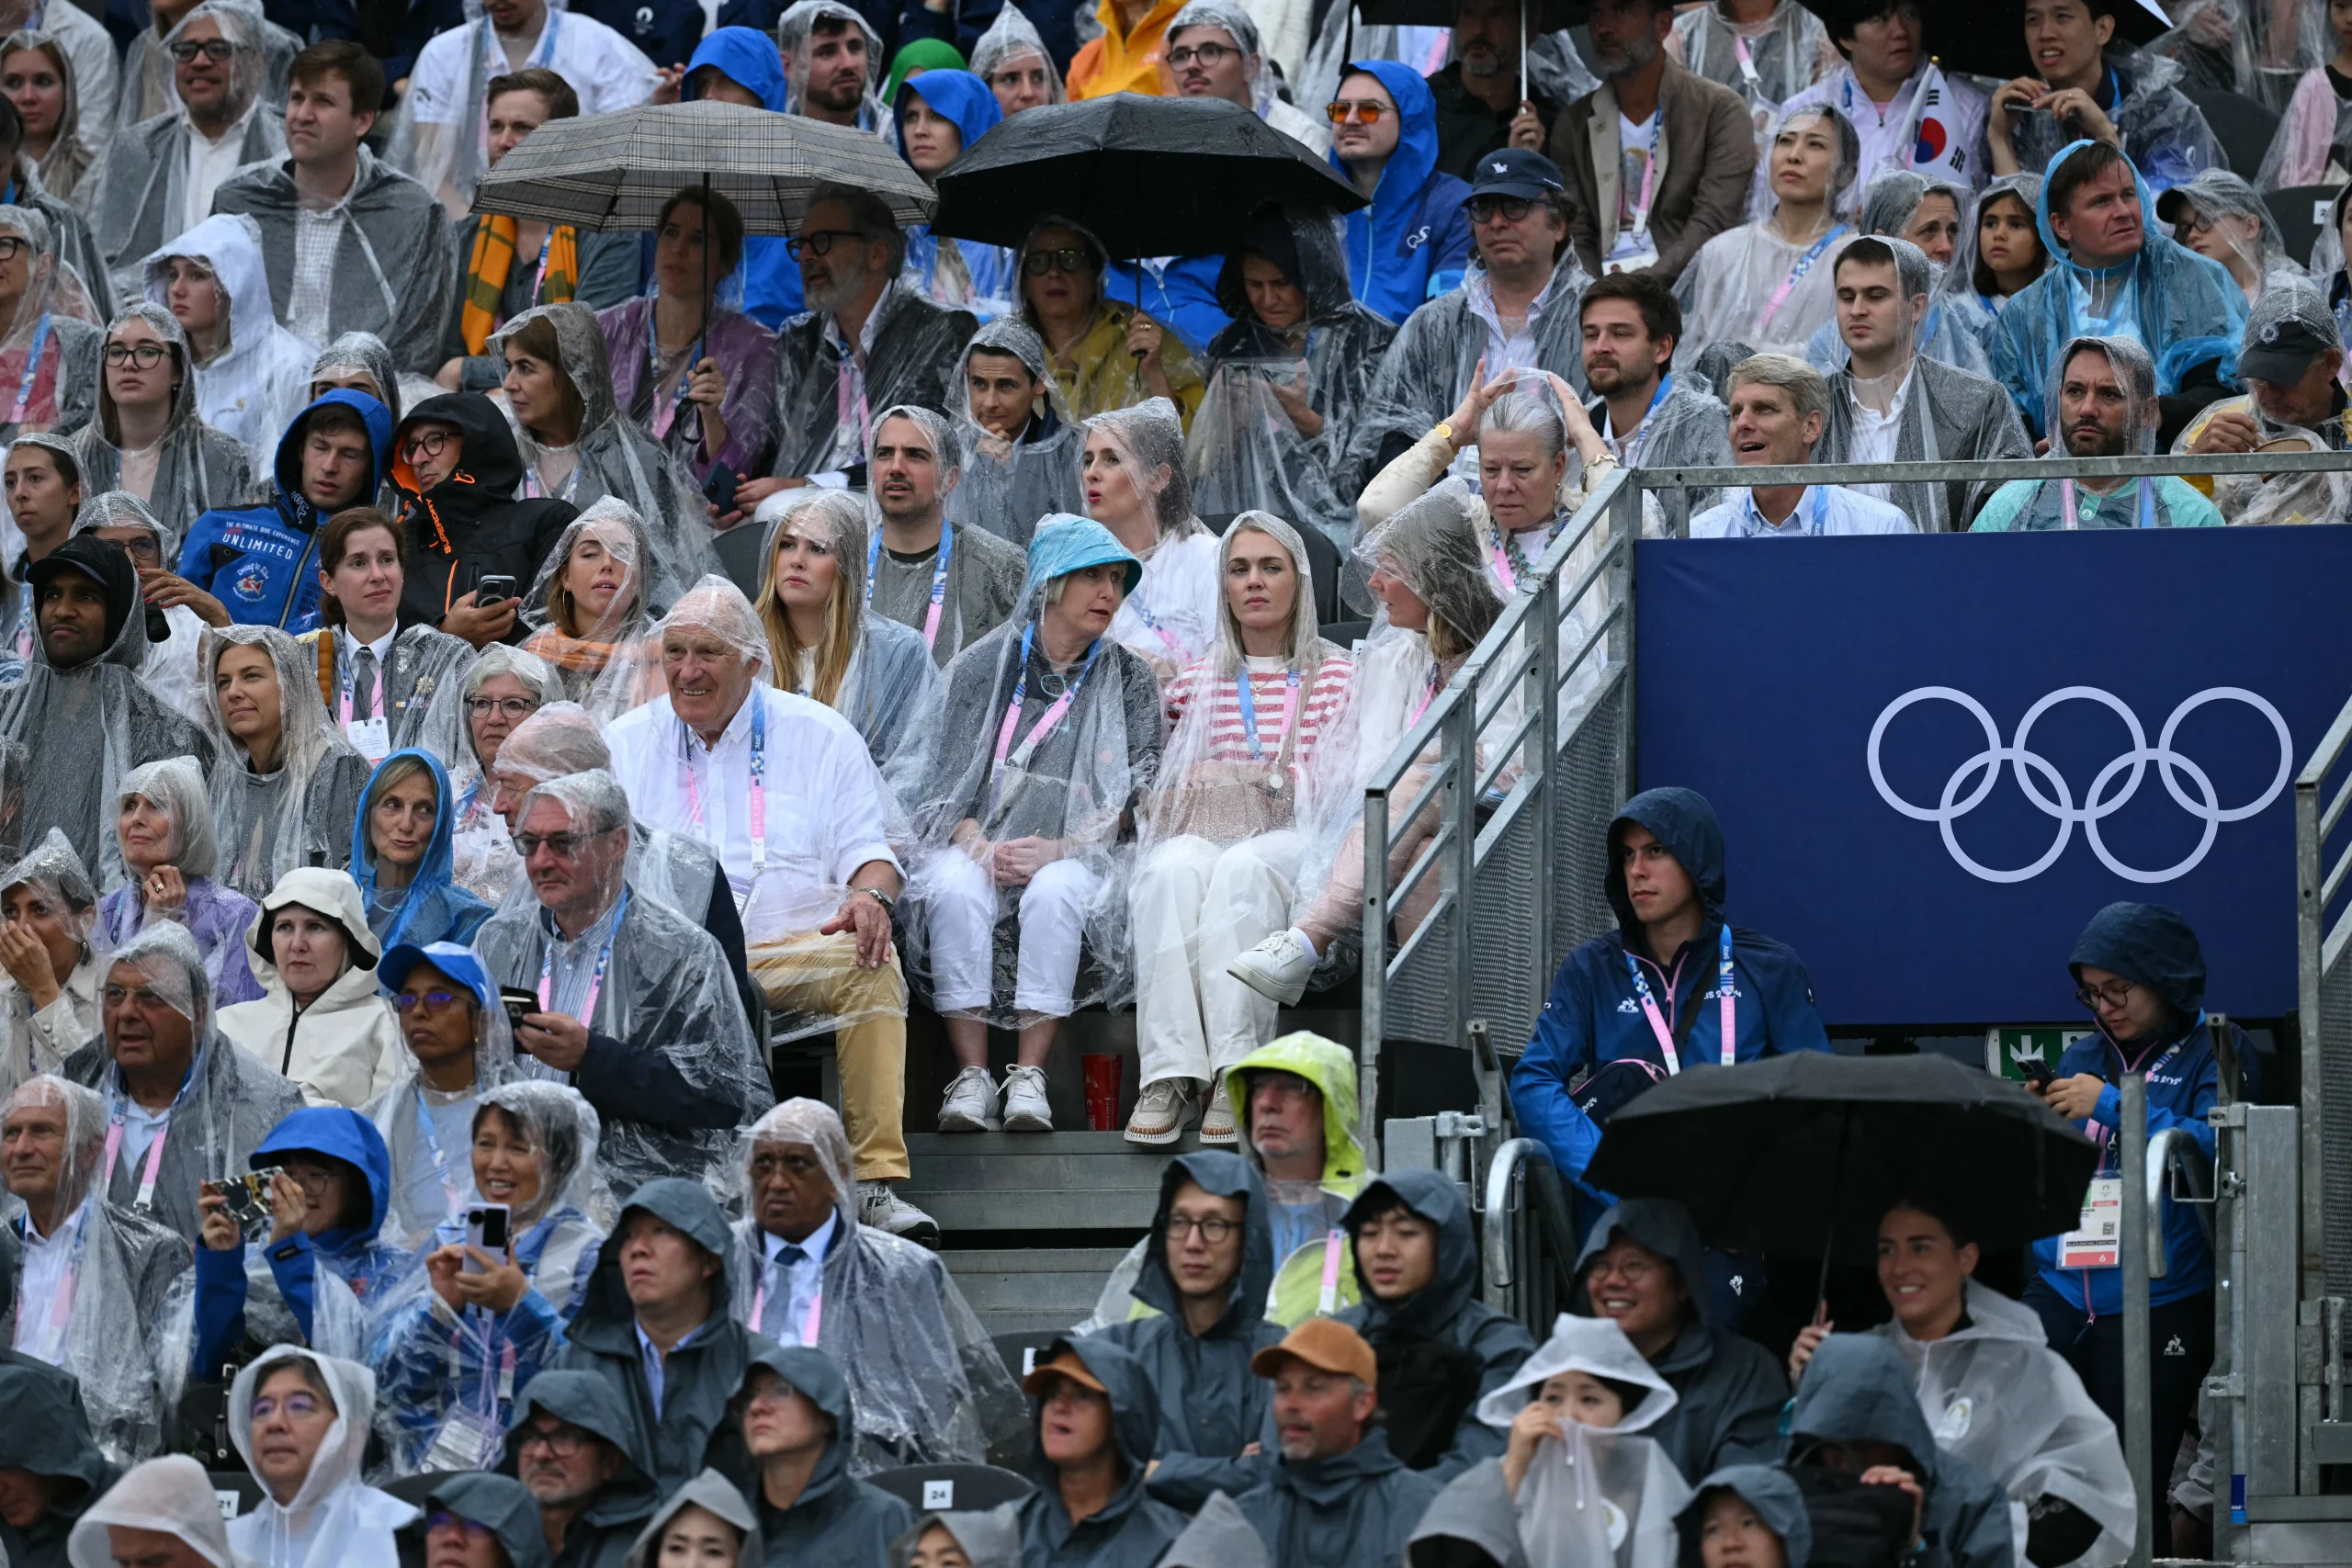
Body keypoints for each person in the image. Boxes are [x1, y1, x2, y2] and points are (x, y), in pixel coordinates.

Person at [603, 580, 918, 1226]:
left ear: (752, 660)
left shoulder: (819, 734)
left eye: (708, 654)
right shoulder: (627, 741)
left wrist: (869, 896)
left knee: (871, 961)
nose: (687, 672)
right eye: (676, 653)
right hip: (664, 965)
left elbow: (873, 851)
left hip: (786, 947)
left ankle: (874, 1183)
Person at [896, 517, 1161, 1135]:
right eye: (1092, 576)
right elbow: (939, 787)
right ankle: (972, 1075)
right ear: (1050, 582)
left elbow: (1136, 800)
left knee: (1058, 889)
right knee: (954, 887)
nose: (1108, 593)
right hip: (974, 843)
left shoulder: (1131, 677)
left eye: (1117, 579)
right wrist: (980, 847)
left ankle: (1030, 1076)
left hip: (1080, 852)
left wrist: (1061, 847)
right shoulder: (982, 666)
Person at [1224, 484, 1508, 1002]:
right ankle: (1427, 1037)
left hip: (1497, 815)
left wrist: (1434, 762)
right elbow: (1365, 768)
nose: (1374, 583)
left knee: (1429, 774)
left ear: (1434, 576)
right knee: (1425, 855)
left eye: (1391, 570)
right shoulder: (1397, 657)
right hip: (1414, 825)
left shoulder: (1511, 644)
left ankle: (1308, 940)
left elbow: (1510, 759)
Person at [1127, 515, 1350, 1141]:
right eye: (1239, 568)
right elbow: (1164, 787)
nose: (1254, 581)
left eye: (1270, 567)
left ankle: (1236, 1069)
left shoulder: (1336, 674)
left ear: (1299, 582)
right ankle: (1169, 1072)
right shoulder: (1192, 684)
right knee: (1166, 871)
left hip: (1295, 838)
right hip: (1208, 830)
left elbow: (1337, 791)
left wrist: (1249, 774)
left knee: (1242, 870)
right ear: (1222, 585)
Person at [2028, 901, 2252, 1519]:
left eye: (2118, 989)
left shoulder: (2217, 1049)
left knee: (2132, 1491)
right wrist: (2037, 1120)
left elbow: (2220, 1150)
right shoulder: (2080, 1057)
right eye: (2091, 994)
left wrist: (2112, 1105)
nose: (2104, 1007)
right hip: (2063, 1284)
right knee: (2030, 1468)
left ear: (2164, 977)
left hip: (2159, 1294)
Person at [1512, 785, 1833, 1204]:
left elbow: (1818, 1099)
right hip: (1624, 1233)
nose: (1636, 870)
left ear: (1696, 859)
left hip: (1726, 1230)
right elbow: (1533, 1083)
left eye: (1656, 851)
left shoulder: (1769, 968)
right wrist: (1619, 1178)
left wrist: (1755, 1188)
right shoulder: (1590, 968)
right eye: (1627, 855)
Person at [1789, 1200, 2134, 1568]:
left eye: (1920, 1247)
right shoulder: (1858, 1360)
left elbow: (2091, 1505)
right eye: (1887, 1250)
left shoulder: (2024, 1369)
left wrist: (1959, 1529)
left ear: (1965, 1259)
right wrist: (1810, 1388)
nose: (1900, 1267)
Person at [473, 770, 770, 1195]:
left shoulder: (682, 952)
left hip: (637, 1184)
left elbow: (721, 1093)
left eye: (563, 843)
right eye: (530, 844)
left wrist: (592, 1058)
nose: (541, 862)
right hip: (508, 1172)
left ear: (617, 843)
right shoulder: (500, 941)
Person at [730, 1099, 1021, 1461]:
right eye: (763, 1164)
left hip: (866, 1478)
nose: (776, 1182)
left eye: (797, 1164)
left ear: (837, 1177)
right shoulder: (716, 1260)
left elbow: (935, 1407)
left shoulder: (900, 1270)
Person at [376, 1080, 608, 1473]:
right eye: (485, 1144)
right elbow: (389, 1386)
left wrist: (521, 1305)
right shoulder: (448, 1240)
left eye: (518, 1148)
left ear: (560, 1160)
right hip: (434, 1476)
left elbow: (594, 1388)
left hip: (541, 1476)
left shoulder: (588, 1254)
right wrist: (438, 1312)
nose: (496, 1163)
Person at [483, 702, 757, 1028]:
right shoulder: (532, 885)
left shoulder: (690, 877)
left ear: (567, 786)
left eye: (511, 785)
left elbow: (719, 1040)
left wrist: (592, 1056)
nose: (498, 805)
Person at [1338, 152, 1593, 495]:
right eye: (1484, 209)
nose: (1497, 222)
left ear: (1559, 223)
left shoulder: (1598, 318)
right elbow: (1388, 438)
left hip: (1570, 527)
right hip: (1445, 532)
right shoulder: (1431, 325)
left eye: (1515, 206)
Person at [204, 42, 449, 375]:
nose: (302, 115)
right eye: (296, 98)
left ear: (362, 121)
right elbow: (214, 320)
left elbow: (418, 339)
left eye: (323, 102)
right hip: (250, 388)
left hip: (366, 394)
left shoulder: (411, 211)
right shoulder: (242, 199)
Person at [1985, 133, 2245, 444]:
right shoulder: (2023, 314)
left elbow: (2225, 388)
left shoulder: (2191, 278)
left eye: (2128, 194)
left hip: (2177, 476)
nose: (2124, 211)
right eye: (2102, 201)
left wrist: (2156, 415)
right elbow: (2011, 425)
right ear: (2061, 225)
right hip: (2063, 484)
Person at [59, 921, 305, 1246]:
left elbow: (267, 1241)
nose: (127, 1012)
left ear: (198, 1011)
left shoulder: (261, 1108)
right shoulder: (73, 1085)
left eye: (151, 997)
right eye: (115, 995)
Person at [739, 186, 978, 502]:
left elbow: (926, 454)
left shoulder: (938, 333)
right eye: (802, 244)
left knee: (778, 509)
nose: (807, 256)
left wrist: (805, 486)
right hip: (799, 515)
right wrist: (741, 495)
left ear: (876, 253)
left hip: (899, 508)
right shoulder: (799, 341)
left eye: (822, 241)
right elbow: (772, 451)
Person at [0, 534, 215, 882]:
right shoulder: (5, 713)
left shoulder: (171, 736)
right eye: (51, 595)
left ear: (119, 612)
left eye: (85, 596)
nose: (62, 610)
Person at [0, 1075, 188, 1462]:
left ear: (89, 1150)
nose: (21, 1148)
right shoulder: (4, 1245)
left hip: (101, 1469)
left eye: (41, 1131)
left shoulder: (148, 1251)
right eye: (10, 1133)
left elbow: (166, 1391)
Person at [548, 1177, 774, 1494]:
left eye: (661, 1231)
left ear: (709, 1259)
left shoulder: (760, 1369)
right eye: (629, 1236)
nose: (638, 1249)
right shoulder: (574, 1366)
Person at [1193, 205, 1398, 544]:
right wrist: (1230, 425)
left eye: (1281, 283)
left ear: (1313, 276)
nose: (1267, 299)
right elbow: (1209, 469)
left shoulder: (1368, 342)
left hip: (1341, 534)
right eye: (1254, 284)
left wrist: (1305, 421)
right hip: (1246, 527)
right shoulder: (1231, 347)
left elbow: (1382, 465)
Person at [437, 69, 643, 396]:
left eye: (523, 129)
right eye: (496, 126)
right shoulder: (467, 236)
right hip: (479, 416)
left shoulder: (607, 231)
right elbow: (446, 354)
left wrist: (469, 371)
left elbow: (585, 354)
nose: (504, 141)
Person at [1095, 1152, 1281, 1506]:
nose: (1193, 1243)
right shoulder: (1119, 1351)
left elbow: (1274, 1473)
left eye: (1215, 1225)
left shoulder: (1282, 1358)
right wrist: (1232, 1469)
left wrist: (1154, 1471)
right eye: (1179, 1222)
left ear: (1248, 1239)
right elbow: (1095, 1471)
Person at [490, 305, 713, 597]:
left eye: (526, 368)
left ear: (573, 373)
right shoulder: (502, 454)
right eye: (508, 367)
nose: (508, 384)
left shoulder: (639, 459)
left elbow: (666, 580)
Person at [1813, 236, 2031, 531]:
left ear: (1917, 307)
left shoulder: (1976, 402)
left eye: (1876, 296)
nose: (1857, 310)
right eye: (1847, 296)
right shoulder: (1808, 406)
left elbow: (2012, 513)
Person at [1327, 1169, 1534, 1479]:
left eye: (1407, 1233)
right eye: (1369, 1233)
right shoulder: (1335, 1337)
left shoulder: (1499, 1345)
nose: (1384, 1249)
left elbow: (1480, 1467)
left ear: (1446, 1243)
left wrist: (1373, 1505)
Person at [84, 1, 285, 302]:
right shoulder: (136, 151)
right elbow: (108, 263)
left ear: (258, 63)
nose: (200, 62)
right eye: (186, 50)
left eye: (218, 49)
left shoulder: (286, 149)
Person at [1573, 1198, 1787, 1481]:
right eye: (1600, 1265)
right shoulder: (1565, 1370)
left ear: (1684, 1282)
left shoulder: (1746, 1373)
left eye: (1634, 1266)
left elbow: (1742, 1497)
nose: (1613, 1280)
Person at [1554, 0, 1758, 285]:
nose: (1604, 27)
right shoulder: (1574, 124)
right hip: (1599, 298)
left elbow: (1712, 223)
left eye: (1621, 10)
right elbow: (1577, 231)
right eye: (1596, 13)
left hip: (1689, 293)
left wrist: (1641, 288)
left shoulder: (1719, 111)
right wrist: (1596, 293)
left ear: (1662, 25)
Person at [188, 1103, 397, 1381]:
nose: (298, 1190)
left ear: (358, 1188)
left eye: (316, 1176)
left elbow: (355, 1367)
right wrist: (221, 1262)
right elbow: (206, 1366)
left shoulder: (389, 1272)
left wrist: (289, 1251)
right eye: (287, 1176)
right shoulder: (251, 1259)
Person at [401, 0, 656, 220]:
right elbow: (435, 175)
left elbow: (622, 161)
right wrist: (478, 235)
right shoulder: (443, 54)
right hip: (467, 220)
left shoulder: (598, 46)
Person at [1224, 1316, 1443, 1567]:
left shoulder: (1423, 1510)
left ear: (1362, 1404)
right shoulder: (1245, 1517)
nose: (1291, 1405)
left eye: (1313, 1388)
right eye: (1283, 1389)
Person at [596, 186, 779, 487]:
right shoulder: (612, 326)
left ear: (725, 261)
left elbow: (733, 478)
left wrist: (712, 416)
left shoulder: (754, 349)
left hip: (699, 522)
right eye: (670, 232)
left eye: (698, 240)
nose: (677, 248)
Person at [1782, 1335, 2017, 1568]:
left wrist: (1915, 1550)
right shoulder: (1781, 1487)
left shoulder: (1973, 1503)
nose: (1844, 1464)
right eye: (1831, 1448)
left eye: (1863, 1447)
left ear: (1897, 1436)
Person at [172, 389, 392, 634]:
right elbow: (173, 632)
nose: (330, 466)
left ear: (372, 468)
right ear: (300, 450)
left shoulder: (379, 560)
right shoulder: (219, 526)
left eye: (349, 455)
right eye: (320, 447)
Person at [750, 490, 940, 765]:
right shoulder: (741, 648)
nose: (797, 560)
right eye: (787, 544)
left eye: (817, 548)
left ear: (847, 566)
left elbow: (914, 769)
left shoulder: (898, 654)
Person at [389, 391, 579, 650]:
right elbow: (377, 650)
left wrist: (457, 644)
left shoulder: (547, 522)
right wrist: (447, 635)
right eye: (412, 447)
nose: (420, 459)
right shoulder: (400, 543)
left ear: (477, 442)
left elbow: (552, 631)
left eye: (435, 440)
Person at [1973, 335, 2227, 528]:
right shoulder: (2009, 507)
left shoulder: (2192, 517)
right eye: (2075, 391)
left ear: (2148, 412)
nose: (2087, 409)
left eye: (2109, 394)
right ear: (2059, 396)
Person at [360, 939, 519, 1247]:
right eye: (407, 1001)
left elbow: (565, 1219)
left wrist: (447, 1243)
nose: (418, 1011)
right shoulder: (378, 1120)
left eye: (439, 999)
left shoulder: (532, 1113)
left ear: (481, 1022)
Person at [195, 625, 372, 897]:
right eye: (223, 682)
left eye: (251, 676)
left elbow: (349, 888)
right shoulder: (228, 776)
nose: (233, 692)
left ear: (290, 685)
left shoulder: (337, 767)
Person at [1674, 103, 1858, 362]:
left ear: (1846, 173)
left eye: (1815, 144)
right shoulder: (1724, 251)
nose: (1794, 156)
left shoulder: (1853, 259)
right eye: (1785, 141)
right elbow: (1692, 350)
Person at [1770, 1, 1987, 214]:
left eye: (1910, 14)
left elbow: (1979, 210)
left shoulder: (1967, 106)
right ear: (1846, 38)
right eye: (1880, 19)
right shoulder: (1805, 109)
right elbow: (1770, 208)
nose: (1900, 31)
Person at [1986, 0, 2222, 194]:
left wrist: (2105, 134)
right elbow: (2013, 228)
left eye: (2062, 16)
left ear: (2102, 30)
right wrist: (1999, 138)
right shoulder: (2017, 113)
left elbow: (2163, 226)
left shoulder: (2162, 112)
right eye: (2033, 20)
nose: (2045, 33)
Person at [216, 866, 403, 1108]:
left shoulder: (386, 1026)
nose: (297, 944)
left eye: (315, 927)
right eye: (284, 927)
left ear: (349, 939)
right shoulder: (226, 1026)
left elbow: (388, 1129)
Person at [300, 508, 478, 762]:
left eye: (386, 559)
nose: (378, 575)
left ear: (402, 572)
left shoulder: (447, 658)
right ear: (329, 582)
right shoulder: (304, 660)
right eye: (358, 563)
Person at [860, 405, 1027, 666]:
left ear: (950, 478)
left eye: (915, 455)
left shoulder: (999, 568)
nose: (896, 467)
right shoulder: (844, 560)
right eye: (884, 454)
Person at [140, 213, 316, 456]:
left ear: (236, 285)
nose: (177, 290)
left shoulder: (289, 366)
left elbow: (284, 471)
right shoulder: (169, 369)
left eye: (196, 275)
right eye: (173, 275)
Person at [225, 1347, 418, 1568]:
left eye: (300, 1406)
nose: (274, 1423)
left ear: (353, 1438)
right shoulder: (222, 1546)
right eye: (262, 1410)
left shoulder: (402, 1533)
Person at [2177, 284, 2352, 525]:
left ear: (2331, 364)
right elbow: (2171, 524)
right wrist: (2195, 467)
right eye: (2259, 378)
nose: (2268, 394)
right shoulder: (2219, 428)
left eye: (2283, 379)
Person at [97, 757, 264, 1010]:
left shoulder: (236, 916)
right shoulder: (104, 914)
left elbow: (238, 1028)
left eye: (156, 805)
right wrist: (155, 922)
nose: (136, 819)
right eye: (130, 806)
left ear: (190, 822)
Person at [1577, 269, 1736, 533]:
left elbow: (1718, 531)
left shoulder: (1705, 424)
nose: (1600, 346)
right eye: (1591, 334)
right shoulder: (1577, 427)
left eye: (1620, 334)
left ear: (1661, 348)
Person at [65, 305, 254, 525]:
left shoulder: (225, 459)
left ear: (177, 372)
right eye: (116, 352)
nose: (128, 364)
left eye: (147, 352)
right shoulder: (73, 458)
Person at [1688, 353, 1916, 536]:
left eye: (1764, 409)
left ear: (1811, 426)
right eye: (1736, 412)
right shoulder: (1701, 535)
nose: (1742, 423)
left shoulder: (1880, 529)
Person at [1008, 1336, 1187, 1565]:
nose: (1059, 1406)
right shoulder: (1004, 1533)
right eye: (1051, 1393)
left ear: (1122, 1416)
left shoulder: (1173, 1544)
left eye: (1082, 1394)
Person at [725, 1342, 919, 1551]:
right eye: (747, 1398)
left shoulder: (884, 1521)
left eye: (780, 1391)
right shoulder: (727, 1520)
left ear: (827, 1415)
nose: (756, 1407)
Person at [1015, 216, 1204, 428]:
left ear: (1094, 273)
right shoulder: (1008, 346)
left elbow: (1193, 439)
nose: (1054, 273)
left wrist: (1154, 371)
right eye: (1038, 261)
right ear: (1023, 280)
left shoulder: (1142, 340)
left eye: (1070, 259)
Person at [1083, 399, 1221, 676]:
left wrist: (1165, 678)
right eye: (1088, 460)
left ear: (1158, 478)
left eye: (1112, 459)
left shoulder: (1206, 558)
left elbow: (1228, 673)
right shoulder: (1077, 567)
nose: (1091, 474)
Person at [1328, 62, 1473, 321]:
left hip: (1416, 360)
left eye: (1369, 110)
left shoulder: (1454, 205)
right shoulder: (1314, 204)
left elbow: (1449, 321)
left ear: (1409, 118)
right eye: (1340, 109)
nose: (1350, 120)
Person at [514, 504, 671, 722]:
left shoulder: (667, 660)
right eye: (590, 554)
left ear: (639, 579)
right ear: (565, 577)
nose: (607, 564)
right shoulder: (533, 660)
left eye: (621, 554)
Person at [944, 316, 1086, 548]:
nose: (990, 402)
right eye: (979, 384)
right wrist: (982, 472)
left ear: (1039, 384)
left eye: (1005, 386)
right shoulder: (945, 447)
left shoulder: (1073, 452)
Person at [72, 493, 213, 723]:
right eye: (111, 548)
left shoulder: (194, 629)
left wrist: (220, 620)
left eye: (142, 545)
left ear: (160, 555)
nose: (130, 558)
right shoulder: (71, 623)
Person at [496, 1370, 660, 1568]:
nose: (541, 1454)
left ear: (610, 1462)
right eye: (530, 1437)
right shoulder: (481, 1540)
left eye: (564, 1438)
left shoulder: (651, 1549)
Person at [447, 647, 563, 901]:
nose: (495, 718)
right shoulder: (443, 790)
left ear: (543, 714)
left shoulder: (562, 797)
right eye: (482, 704)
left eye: (513, 705)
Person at [897, 70, 1016, 318]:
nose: (919, 130)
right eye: (910, 117)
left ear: (970, 121)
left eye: (937, 116)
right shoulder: (897, 225)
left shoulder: (1010, 219)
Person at [347, 750, 493, 948]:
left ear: (441, 825)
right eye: (392, 805)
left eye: (425, 809)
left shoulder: (466, 919)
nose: (406, 825)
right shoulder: (336, 905)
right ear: (368, 814)